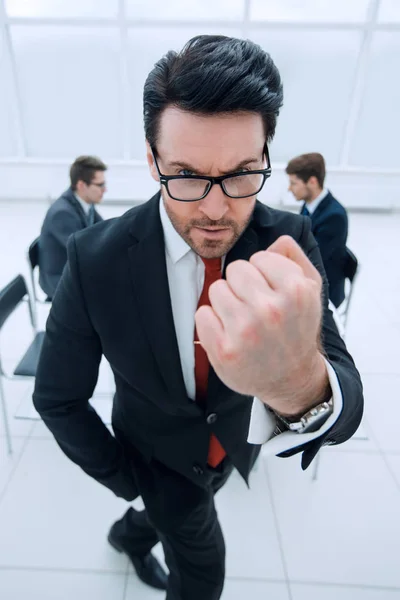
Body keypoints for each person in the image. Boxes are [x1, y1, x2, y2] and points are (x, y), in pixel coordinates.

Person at [33, 36, 363, 600]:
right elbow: (57, 397)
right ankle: (140, 522)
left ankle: (131, 535)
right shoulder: (94, 258)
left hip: (233, 447)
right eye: (185, 174)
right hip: (154, 461)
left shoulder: (289, 237)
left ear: (265, 158)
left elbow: (344, 391)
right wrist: (126, 479)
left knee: (172, 515)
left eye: (241, 174)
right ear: (152, 159)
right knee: (202, 574)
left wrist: (297, 382)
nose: (214, 208)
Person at [38, 155, 106, 300]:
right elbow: (83, 252)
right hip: (57, 279)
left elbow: (104, 229)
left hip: (73, 268)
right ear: (82, 185)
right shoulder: (62, 214)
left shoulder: (85, 202)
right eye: (100, 185)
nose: (104, 189)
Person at [286, 153, 348, 307]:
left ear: (312, 182)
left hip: (325, 290)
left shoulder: (335, 216)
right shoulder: (309, 204)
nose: (289, 188)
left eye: (294, 183)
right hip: (311, 276)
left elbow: (315, 260)